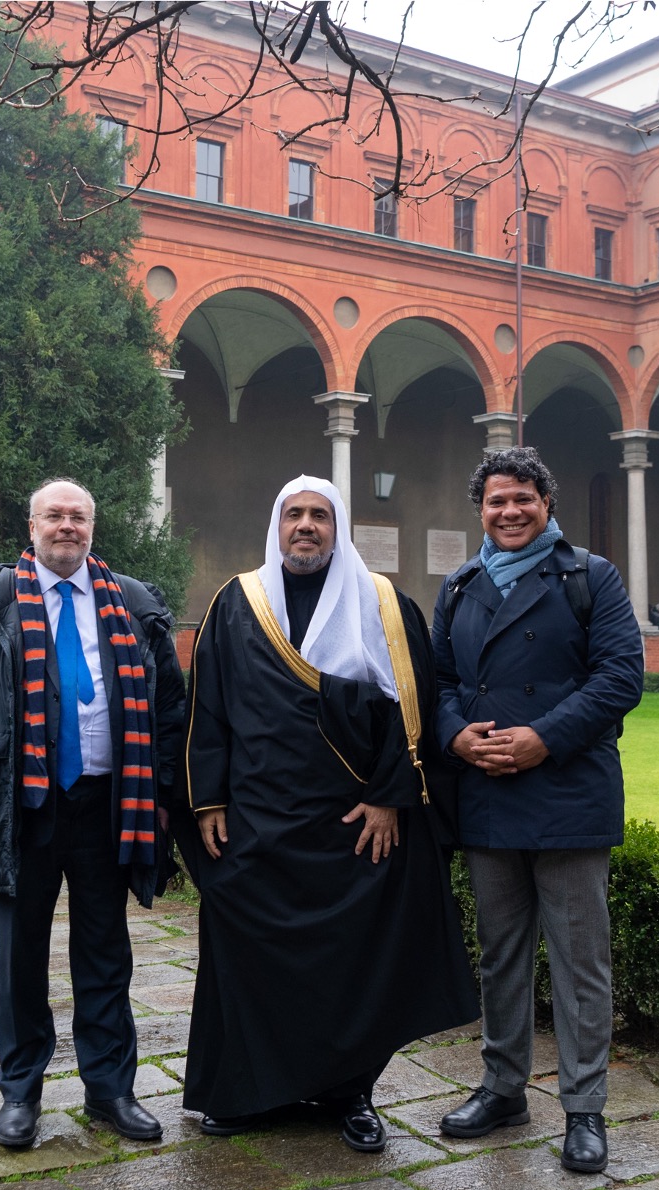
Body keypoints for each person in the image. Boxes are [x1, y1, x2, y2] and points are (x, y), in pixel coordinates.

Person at [173, 474, 478, 1153]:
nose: (305, 526)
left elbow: (413, 710)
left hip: (354, 825)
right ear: (276, 524)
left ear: (337, 526)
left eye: (318, 515)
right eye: (293, 514)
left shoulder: (383, 604)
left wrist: (387, 795)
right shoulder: (235, 601)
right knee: (247, 957)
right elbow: (209, 709)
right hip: (256, 821)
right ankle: (251, 1093)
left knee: (354, 964)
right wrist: (209, 798)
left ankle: (351, 1095)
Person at [0, 479, 185, 1148]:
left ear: (92, 527)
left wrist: (160, 792)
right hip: (22, 807)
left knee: (105, 954)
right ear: (32, 525)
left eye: (77, 517)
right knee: (20, 960)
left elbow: (169, 708)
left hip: (107, 806)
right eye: (54, 516)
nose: (66, 526)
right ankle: (20, 1095)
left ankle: (110, 1090)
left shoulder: (132, 602)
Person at [431, 447, 643, 1175]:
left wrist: (542, 739)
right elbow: (440, 681)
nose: (510, 510)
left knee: (581, 961)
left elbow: (621, 677)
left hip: (568, 793)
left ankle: (584, 1109)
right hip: (488, 793)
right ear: (479, 510)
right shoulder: (458, 586)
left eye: (523, 497)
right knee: (501, 956)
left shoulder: (590, 577)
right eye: (496, 500)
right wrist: (455, 732)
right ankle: (502, 1087)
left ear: (546, 503)